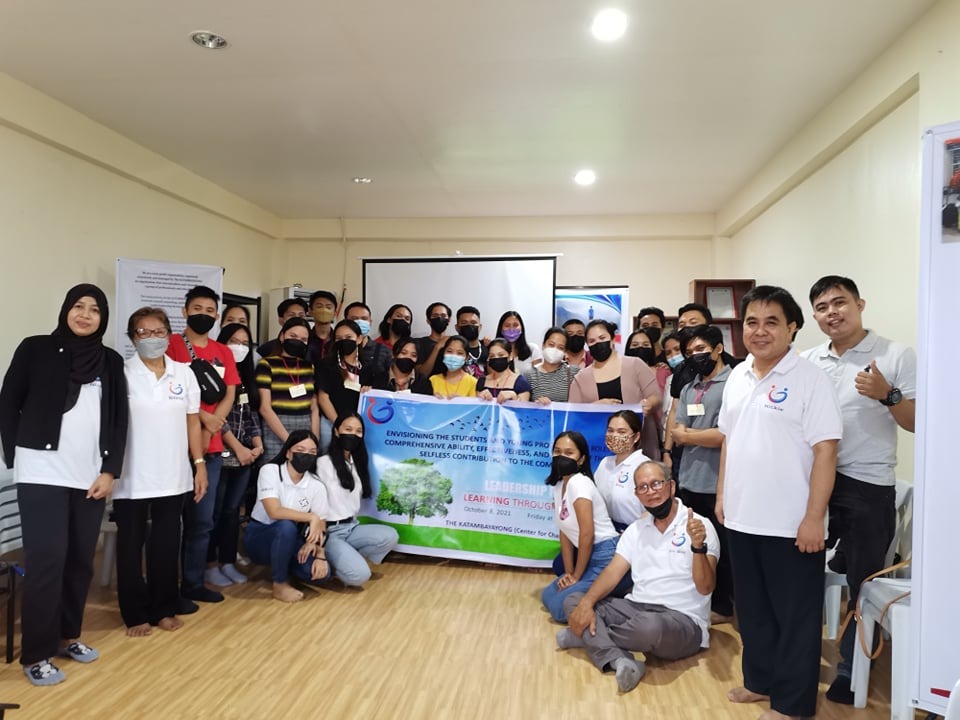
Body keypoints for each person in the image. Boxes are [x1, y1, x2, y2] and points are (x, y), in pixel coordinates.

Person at [717, 285, 841, 720]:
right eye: (752, 322)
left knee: (796, 618)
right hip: (742, 516)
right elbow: (729, 440)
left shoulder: (810, 379)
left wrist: (813, 517)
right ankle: (760, 681)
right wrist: (722, 496)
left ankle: (792, 704)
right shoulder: (738, 375)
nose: (760, 331)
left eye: (772, 322)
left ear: (792, 327)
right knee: (752, 611)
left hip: (791, 523)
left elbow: (826, 451)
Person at [0, 284, 128, 685]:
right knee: (47, 561)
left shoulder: (110, 361)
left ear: (103, 318)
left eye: (94, 309)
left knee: (79, 561)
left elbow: (118, 419)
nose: (85, 315)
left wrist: (110, 470)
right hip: (41, 471)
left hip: (90, 475)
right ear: (66, 310)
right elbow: (8, 402)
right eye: (78, 306)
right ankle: (36, 655)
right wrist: (16, 456)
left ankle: (68, 635)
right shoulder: (35, 348)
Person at [800, 275, 917, 705]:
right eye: (822, 307)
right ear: (814, 316)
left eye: (839, 302)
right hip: (815, 478)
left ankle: (853, 669)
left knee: (863, 581)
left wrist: (888, 395)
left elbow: (917, 422)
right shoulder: (808, 360)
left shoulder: (895, 354)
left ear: (860, 304)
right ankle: (798, 659)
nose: (831, 312)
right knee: (798, 569)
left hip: (868, 483)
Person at [558, 461, 719, 694]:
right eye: (642, 487)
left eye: (656, 484)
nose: (650, 491)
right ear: (636, 495)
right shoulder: (636, 529)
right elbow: (612, 573)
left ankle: (587, 636)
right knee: (574, 600)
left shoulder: (699, 526)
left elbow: (705, 587)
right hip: (636, 607)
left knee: (649, 627)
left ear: (671, 486)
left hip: (682, 620)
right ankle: (618, 659)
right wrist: (586, 604)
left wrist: (698, 547)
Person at [114, 307, 207, 637]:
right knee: (130, 548)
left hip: (173, 474)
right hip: (130, 476)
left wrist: (199, 465)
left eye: (158, 332)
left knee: (166, 546)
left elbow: (193, 422)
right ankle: (134, 613)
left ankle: (163, 608)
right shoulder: (121, 373)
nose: (151, 338)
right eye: (143, 332)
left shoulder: (184, 373)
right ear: (132, 338)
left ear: (169, 335)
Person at [166, 285, 240, 605]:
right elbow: (168, 390)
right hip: (174, 448)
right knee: (169, 523)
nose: (203, 315)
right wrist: (203, 418)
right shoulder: (170, 345)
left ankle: (193, 583)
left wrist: (213, 424)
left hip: (210, 450)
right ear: (184, 311)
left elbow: (230, 393)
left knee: (201, 522)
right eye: (197, 309)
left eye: (210, 311)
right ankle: (165, 587)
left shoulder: (223, 352)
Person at [672, 324, 734, 623]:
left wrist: (690, 436)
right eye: (689, 352)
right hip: (689, 478)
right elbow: (677, 430)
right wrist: (696, 435)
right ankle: (698, 601)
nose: (695, 356)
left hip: (719, 483)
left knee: (724, 549)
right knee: (696, 544)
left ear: (718, 349)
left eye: (701, 349)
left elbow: (726, 435)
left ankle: (723, 606)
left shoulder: (734, 383)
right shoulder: (689, 388)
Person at [242, 430, 331, 603]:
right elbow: (274, 511)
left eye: (312, 452)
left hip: (292, 537)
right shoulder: (270, 471)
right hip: (260, 536)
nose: (306, 455)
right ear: (288, 452)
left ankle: (283, 565)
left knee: (321, 574)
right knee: (286, 526)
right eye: (300, 450)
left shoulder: (316, 485)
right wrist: (310, 517)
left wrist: (318, 552)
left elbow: (321, 523)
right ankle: (280, 584)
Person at [207, 322, 264, 587]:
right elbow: (216, 418)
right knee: (214, 512)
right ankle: (209, 564)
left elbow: (250, 416)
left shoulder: (245, 376)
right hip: (220, 452)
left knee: (232, 512)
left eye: (244, 343)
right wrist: (238, 448)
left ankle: (227, 562)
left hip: (245, 457)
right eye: (234, 342)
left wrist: (257, 444)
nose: (239, 347)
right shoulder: (215, 374)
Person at [541, 431, 619, 623]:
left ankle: (612, 603)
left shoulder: (579, 483)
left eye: (569, 453)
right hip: (588, 555)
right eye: (557, 451)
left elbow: (587, 535)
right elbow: (565, 531)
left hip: (605, 555)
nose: (561, 457)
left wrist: (576, 576)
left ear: (581, 459)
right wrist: (568, 574)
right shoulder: (559, 485)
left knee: (559, 609)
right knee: (548, 596)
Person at [315, 413, 399, 587]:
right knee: (359, 577)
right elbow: (316, 507)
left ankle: (347, 558)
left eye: (358, 431)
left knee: (390, 536)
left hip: (351, 527)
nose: (353, 434)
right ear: (336, 431)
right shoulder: (323, 463)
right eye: (348, 429)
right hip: (330, 531)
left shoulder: (356, 462)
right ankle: (334, 564)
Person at [569, 319, 662, 459]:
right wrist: (595, 407)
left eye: (602, 338)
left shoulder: (635, 365)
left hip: (639, 444)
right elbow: (573, 415)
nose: (598, 343)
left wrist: (648, 404)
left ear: (612, 339)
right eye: (592, 341)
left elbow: (656, 397)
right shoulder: (580, 378)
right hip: (598, 448)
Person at [256, 317, 320, 460]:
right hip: (276, 428)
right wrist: (290, 442)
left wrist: (314, 440)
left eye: (303, 339)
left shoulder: (309, 367)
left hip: (305, 426)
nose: (298, 341)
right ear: (282, 336)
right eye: (293, 336)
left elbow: (314, 407)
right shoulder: (266, 364)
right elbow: (265, 408)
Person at [594, 411, 649, 532]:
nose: (614, 436)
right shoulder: (605, 463)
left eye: (621, 432)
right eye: (610, 431)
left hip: (635, 533)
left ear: (636, 437)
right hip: (605, 531)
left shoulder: (645, 466)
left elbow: (653, 509)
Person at [316, 319, 365, 433]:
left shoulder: (366, 367)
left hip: (357, 426)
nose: (344, 341)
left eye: (348, 337)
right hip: (331, 423)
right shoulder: (326, 365)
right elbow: (323, 398)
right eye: (339, 338)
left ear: (359, 339)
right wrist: (339, 425)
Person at [361, 337, 434, 395]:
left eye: (413, 355)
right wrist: (365, 392)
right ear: (393, 354)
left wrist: (435, 399)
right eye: (404, 353)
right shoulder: (377, 379)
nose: (408, 357)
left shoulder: (423, 383)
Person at [524, 327, 579, 404]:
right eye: (551, 345)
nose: (555, 350)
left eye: (560, 347)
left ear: (565, 351)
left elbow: (581, 402)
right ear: (543, 345)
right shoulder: (529, 375)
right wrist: (536, 404)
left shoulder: (573, 372)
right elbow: (524, 404)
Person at [343, 301, 392, 376]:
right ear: (345, 321)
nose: (360, 322)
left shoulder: (384, 350)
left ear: (370, 322)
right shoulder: (337, 347)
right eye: (355, 318)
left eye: (364, 319)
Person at [477, 338, 532, 403]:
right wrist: (481, 398)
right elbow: (477, 406)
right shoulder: (482, 381)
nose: (496, 358)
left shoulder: (521, 382)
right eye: (492, 356)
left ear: (510, 356)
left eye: (501, 355)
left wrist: (514, 397)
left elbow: (523, 407)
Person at [494, 310, 542, 375]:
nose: (511, 329)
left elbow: (539, 377)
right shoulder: (494, 352)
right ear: (501, 329)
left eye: (515, 325)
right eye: (507, 325)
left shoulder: (533, 349)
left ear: (521, 328)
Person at [414, 302, 453, 376]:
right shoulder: (418, 343)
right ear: (428, 320)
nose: (439, 318)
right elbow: (421, 374)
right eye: (435, 316)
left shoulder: (454, 342)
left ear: (449, 320)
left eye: (443, 315)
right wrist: (437, 347)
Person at [454, 305, 488, 379]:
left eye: (473, 322)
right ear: (457, 327)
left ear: (480, 327)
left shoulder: (488, 349)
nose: (469, 326)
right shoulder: (451, 351)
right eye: (464, 323)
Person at [306, 290, 338, 363]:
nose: (324, 310)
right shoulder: (305, 339)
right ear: (310, 311)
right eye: (319, 306)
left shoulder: (338, 339)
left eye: (329, 307)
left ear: (335, 313)